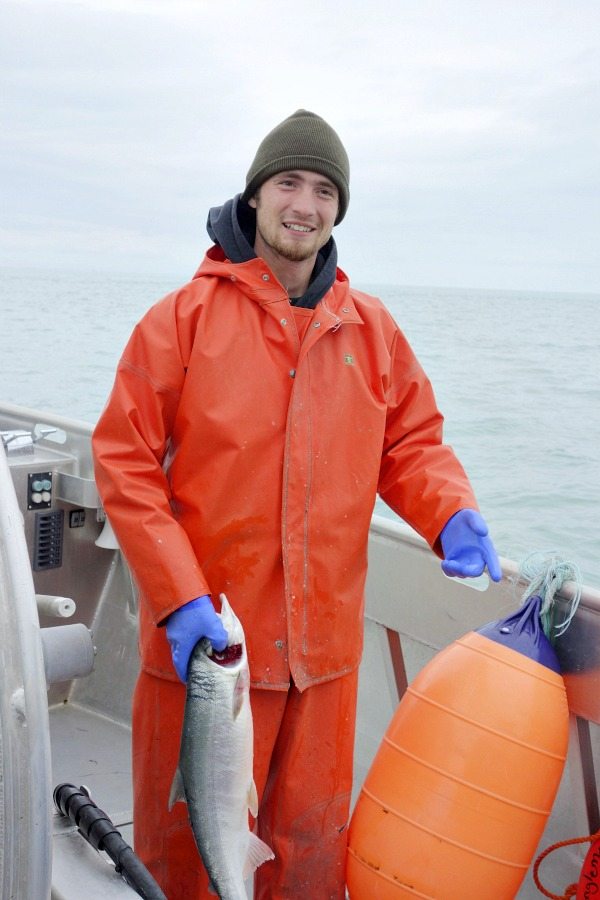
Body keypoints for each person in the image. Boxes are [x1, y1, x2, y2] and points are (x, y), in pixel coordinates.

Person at [92, 109, 502, 899]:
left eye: (324, 190)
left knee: (309, 860)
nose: (305, 205)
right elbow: (124, 464)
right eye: (289, 183)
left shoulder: (372, 331)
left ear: (338, 209)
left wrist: (449, 511)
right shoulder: (178, 322)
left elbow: (411, 444)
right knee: (190, 863)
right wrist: (179, 603)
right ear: (255, 196)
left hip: (324, 667)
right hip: (207, 661)